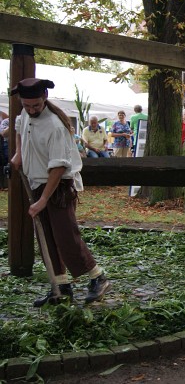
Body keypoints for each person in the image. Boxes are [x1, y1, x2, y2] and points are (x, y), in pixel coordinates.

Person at [10, 78, 111, 306]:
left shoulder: (55, 125)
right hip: (36, 183)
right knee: (45, 237)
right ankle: (61, 287)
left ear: (44, 97)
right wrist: (18, 155)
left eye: (36, 105)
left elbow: (59, 167)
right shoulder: (25, 114)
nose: (32, 110)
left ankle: (98, 278)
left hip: (58, 188)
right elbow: (18, 128)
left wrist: (44, 199)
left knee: (66, 237)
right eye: (27, 106)